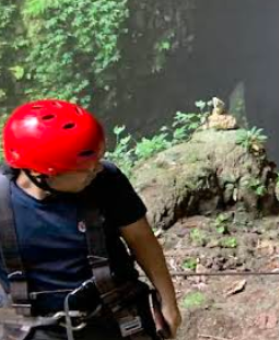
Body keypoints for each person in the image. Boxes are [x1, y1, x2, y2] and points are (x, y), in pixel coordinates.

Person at [0, 100, 181, 340]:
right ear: (40, 173)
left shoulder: (107, 181)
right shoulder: (4, 201)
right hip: (35, 328)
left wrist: (168, 301)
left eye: (98, 161)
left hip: (116, 316)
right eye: (86, 168)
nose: (97, 170)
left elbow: (141, 239)